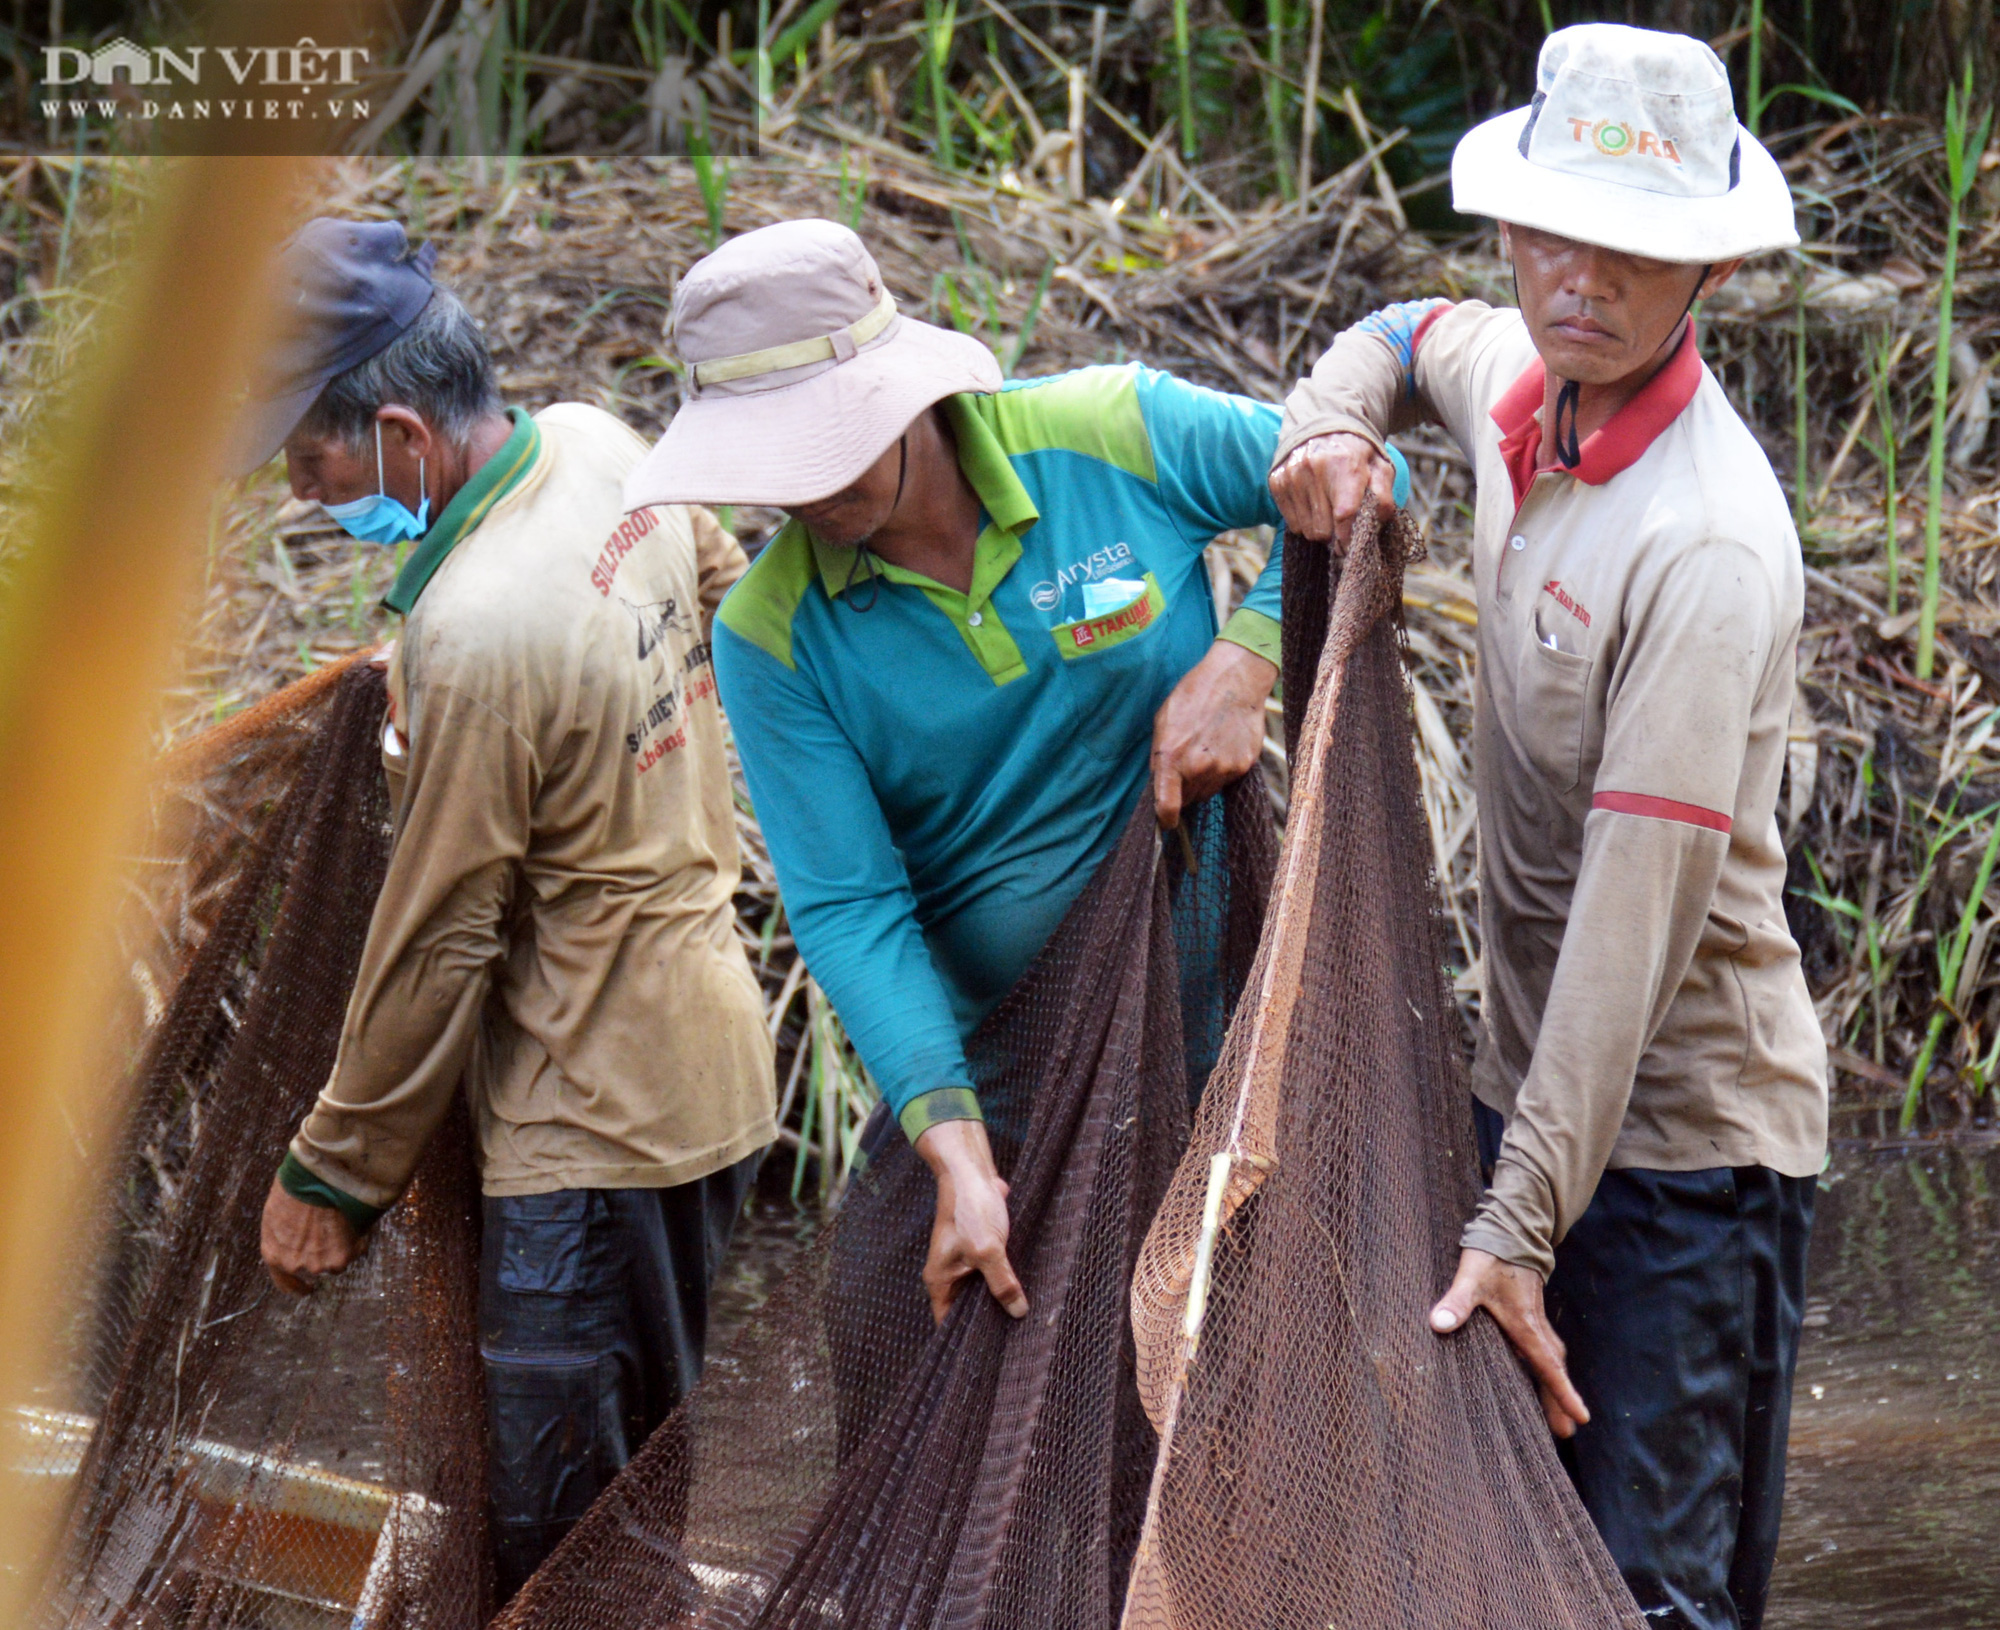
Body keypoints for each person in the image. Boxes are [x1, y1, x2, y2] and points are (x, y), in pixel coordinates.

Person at [1270, 25, 1827, 1630]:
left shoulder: (1706, 545)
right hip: (1534, 1118)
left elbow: (1630, 931)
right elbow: (1393, 328)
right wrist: (1328, 421)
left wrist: (1517, 1226)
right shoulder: (1524, 382)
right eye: (1551, 230)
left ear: (1704, 271)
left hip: (1684, 1162)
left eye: (1634, 246)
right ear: (1512, 228)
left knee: (1646, 1598)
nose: (1580, 275)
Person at [625, 219, 1321, 1326]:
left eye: (820, 441)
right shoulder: (770, 635)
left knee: (1255, 1336)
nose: (798, 488)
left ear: (899, 392)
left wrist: (1247, 658)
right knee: (887, 1319)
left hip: (1233, 1009)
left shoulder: (1110, 434)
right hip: (1010, 1063)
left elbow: (1350, 488)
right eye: (763, 464)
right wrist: (954, 1149)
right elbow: (853, 908)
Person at [242, 219, 777, 1600]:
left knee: (559, 1538)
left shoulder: (481, 628)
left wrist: (331, 1174)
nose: (305, 494)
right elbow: (725, 588)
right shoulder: (600, 447)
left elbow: (440, 937)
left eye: (313, 461)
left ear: (404, 431)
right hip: (707, 1068)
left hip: (589, 1118)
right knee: (643, 1478)